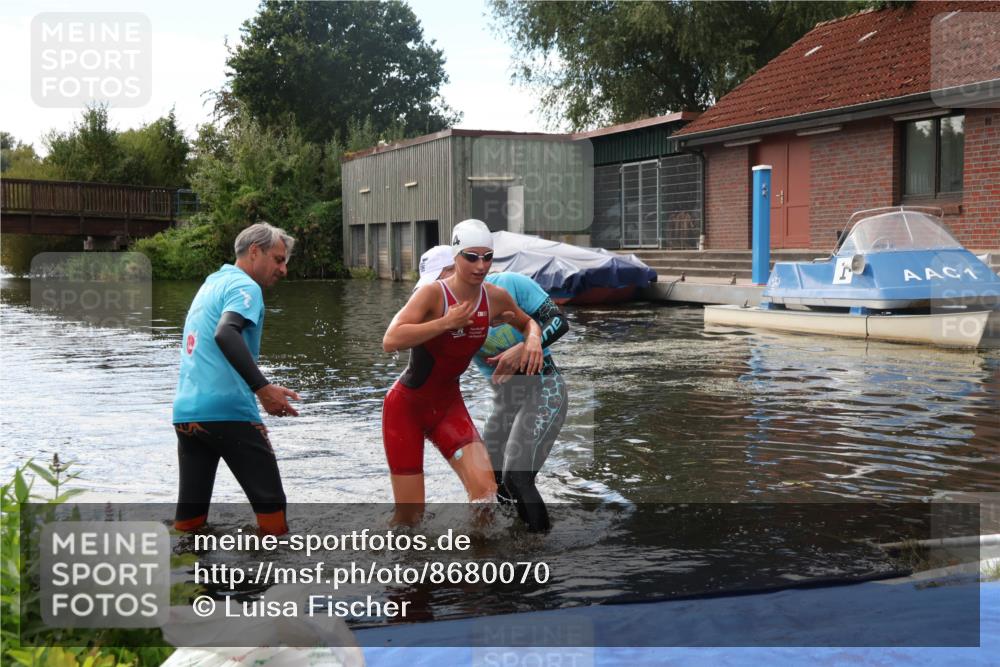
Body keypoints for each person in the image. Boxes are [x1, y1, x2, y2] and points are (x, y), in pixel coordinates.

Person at [381, 220, 544, 522]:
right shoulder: (432, 294)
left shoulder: (494, 298)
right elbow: (390, 340)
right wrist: (445, 323)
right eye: (471, 257)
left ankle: (480, 560)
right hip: (406, 409)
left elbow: (528, 322)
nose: (480, 265)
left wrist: (531, 340)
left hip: (448, 406)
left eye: (487, 257)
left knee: (486, 492)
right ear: (455, 256)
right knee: (410, 516)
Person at [419, 251, 570, 532]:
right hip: (506, 400)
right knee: (491, 479)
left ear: (456, 268)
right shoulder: (447, 318)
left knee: (518, 478)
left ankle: (539, 552)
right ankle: (507, 543)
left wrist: (525, 347)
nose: (434, 292)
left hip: (545, 390)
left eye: (437, 281)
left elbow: (559, 320)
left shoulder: (509, 286)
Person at [172, 222, 300, 536]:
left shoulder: (210, 284)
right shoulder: (246, 287)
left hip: (187, 415)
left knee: (190, 521)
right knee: (273, 514)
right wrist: (263, 388)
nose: (283, 270)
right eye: (278, 259)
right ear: (255, 252)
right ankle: (271, 582)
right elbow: (225, 333)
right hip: (228, 412)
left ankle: (188, 581)